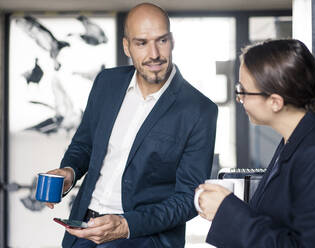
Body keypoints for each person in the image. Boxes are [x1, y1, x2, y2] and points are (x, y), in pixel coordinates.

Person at [45, 3, 218, 248]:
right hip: (81, 230)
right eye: (141, 43)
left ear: (173, 41)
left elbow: (188, 198)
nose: (154, 53)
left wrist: (127, 226)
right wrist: (69, 172)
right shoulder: (107, 82)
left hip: (143, 238)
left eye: (162, 41)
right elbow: (84, 145)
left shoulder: (200, 110)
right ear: (127, 46)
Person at [196, 39, 315, 247]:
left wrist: (226, 212)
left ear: (275, 102)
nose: (239, 99)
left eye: (243, 91)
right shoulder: (294, 141)